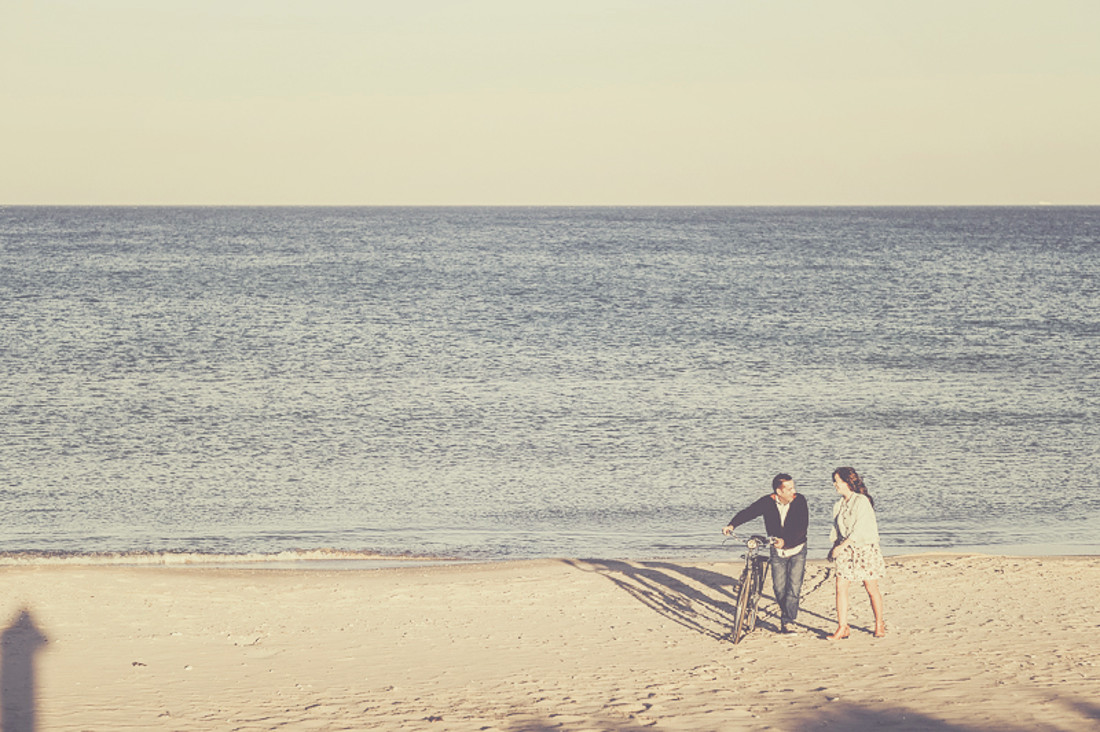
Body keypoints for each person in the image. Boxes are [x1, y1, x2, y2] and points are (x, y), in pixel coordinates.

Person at [722, 473, 809, 633]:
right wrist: (732, 525)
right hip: (777, 550)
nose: (793, 491)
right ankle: (787, 613)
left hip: (797, 549)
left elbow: (801, 527)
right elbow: (749, 512)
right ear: (779, 491)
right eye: (789, 489)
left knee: (794, 588)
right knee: (779, 587)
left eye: (793, 487)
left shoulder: (800, 501)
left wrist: (786, 541)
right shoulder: (767, 502)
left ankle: (788, 621)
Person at [827, 466, 887, 639]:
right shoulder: (838, 505)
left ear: (847, 482)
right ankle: (842, 626)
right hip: (845, 549)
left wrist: (842, 546)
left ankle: (879, 623)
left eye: (837, 481)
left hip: (864, 548)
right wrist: (834, 547)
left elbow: (860, 529)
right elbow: (836, 528)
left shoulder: (861, 501)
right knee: (840, 587)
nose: (835, 485)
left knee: (870, 587)